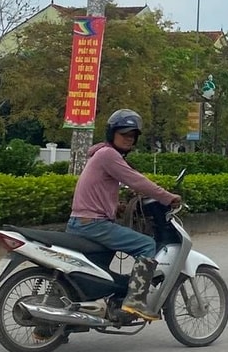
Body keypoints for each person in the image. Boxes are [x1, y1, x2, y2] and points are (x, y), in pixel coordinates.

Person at [66, 108, 181, 322]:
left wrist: (116, 206)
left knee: (91, 276)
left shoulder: (100, 154)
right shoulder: (108, 155)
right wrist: (167, 197)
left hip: (82, 221)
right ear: (112, 134)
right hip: (93, 224)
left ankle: (56, 326)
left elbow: (99, 191)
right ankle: (135, 301)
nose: (129, 139)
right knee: (146, 245)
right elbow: (136, 180)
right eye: (124, 134)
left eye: (132, 136)